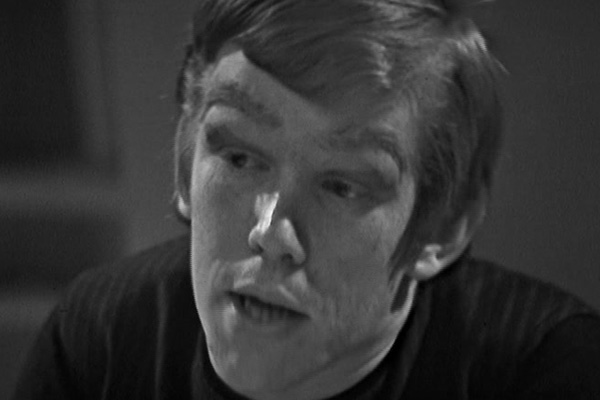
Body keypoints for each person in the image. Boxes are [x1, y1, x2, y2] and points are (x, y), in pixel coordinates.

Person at [13, 0, 600, 399]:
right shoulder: (102, 336)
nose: (271, 234)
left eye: (341, 186)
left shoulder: (541, 365)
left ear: (442, 231)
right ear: (185, 165)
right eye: (239, 158)